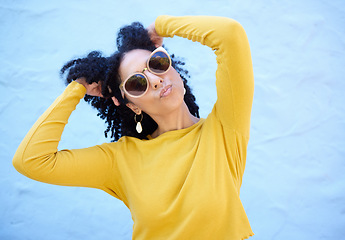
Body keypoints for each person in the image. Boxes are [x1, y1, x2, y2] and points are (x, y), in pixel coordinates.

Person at [13, 15, 254, 239]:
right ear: (132, 106)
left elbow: (230, 35)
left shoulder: (225, 131)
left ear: (174, 69)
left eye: (156, 63)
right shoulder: (121, 160)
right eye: (137, 83)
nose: (155, 80)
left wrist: (161, 26)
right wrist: (77, 89)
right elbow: (31, 160)